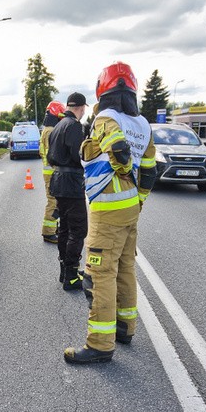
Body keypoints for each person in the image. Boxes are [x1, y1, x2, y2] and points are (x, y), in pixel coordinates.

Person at [64, 62, 156, 364]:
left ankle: (100, 344)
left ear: (102, 92)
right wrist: (139, 199)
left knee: (100, 274)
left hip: (109, 209)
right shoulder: (143, 124)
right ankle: (125, 327)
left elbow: (117, 149)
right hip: (130, 208)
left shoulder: (106, 117)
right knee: (126, 267)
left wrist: (124, 170)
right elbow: (151, 170)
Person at [47, 92, 88, 290]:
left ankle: (65, 270)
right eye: (84, 109)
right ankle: (72, 275)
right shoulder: (74, 126)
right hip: (71, 183)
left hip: (59, 181)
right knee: (78, 229)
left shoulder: (58, 125)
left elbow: (50, 155)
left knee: (64, 228)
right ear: (81, 108)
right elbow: (79, 155)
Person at [39, 101, 65, 244]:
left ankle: (52, 229)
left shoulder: (47, 129)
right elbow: (53, 155)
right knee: (53, 202)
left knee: (55, 201)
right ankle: (48, 232)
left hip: (50, 172)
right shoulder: (50, 131)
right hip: (52, 173)